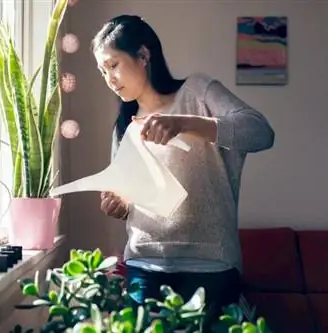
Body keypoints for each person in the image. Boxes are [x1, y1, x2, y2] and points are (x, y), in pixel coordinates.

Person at [92, 14, 275, 330]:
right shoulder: (123, 125)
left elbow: (260, 132)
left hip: (211, 267)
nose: (109, 78)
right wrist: (119, 206)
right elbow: (129, 200)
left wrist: (186, 123)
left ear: (144, 56)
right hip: (142, 266)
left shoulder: (198, 91)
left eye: (113, 65)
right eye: (102, 71)